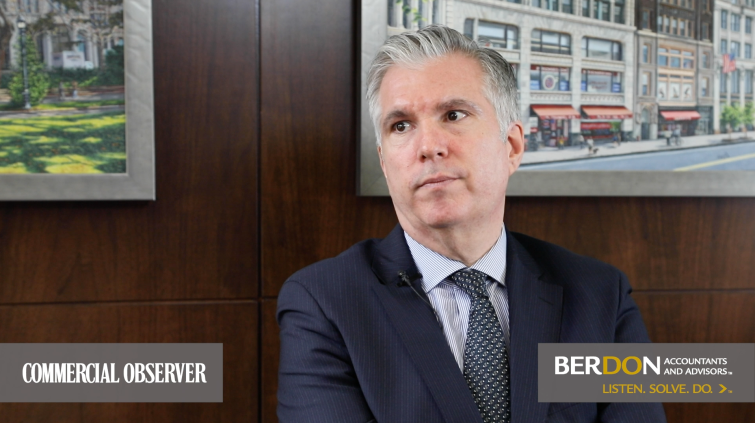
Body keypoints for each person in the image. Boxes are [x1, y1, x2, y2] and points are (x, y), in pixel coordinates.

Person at [277, 25, 665, 423]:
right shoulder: (323, 304)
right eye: (401, 125)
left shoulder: (600, 295)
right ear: (384, 162)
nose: (429, 146)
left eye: (454, 115)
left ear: (512, 147)